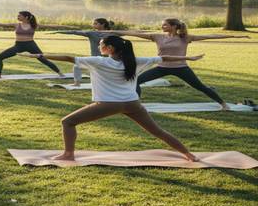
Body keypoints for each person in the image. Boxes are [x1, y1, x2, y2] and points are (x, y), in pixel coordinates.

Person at [19, 35, 201, 161]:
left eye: (101, 44)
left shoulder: (100, 61)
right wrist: (188, 58)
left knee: (68, 122)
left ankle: (68, 154)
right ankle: (188, 154)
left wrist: (38, 55)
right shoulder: (135, 61)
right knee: (158, 131)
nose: (99, 47)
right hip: (132, 103)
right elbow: (164, 58)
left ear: (109, 48)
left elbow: (68, 57)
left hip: (109, 104)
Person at [108, 18, 248, 110]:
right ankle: (136, 104)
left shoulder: (185, 37)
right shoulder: (157, 36)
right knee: (136, 80)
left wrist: (236, 36)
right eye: (162, 24)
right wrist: (111, 31)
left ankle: (223, 104)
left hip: (181, 68)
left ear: (174, 26)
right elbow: (133, 33)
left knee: (200, 86)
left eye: (165, 24)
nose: (162, 26)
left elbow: (212, 36)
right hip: (162, 67)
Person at [0, 11, 71, 78]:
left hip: (31, 45)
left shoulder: (34, 25)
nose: (18, 17)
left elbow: (52, 26)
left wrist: (67, 27)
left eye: (19, 15)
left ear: (26, 17)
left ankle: (60, 73)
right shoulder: (16, 25)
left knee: (44, 59)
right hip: (18, 46)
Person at [52, 17, 115, 85]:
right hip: (94, 59)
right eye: (93, 23)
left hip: (106, 60)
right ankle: (77, 83)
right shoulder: (91, 33)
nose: (93, 25)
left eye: (96, 23)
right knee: (77, 66)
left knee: (103, 74)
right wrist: (60, 32)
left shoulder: (111, 33)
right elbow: (75, 32)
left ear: (103, 25)